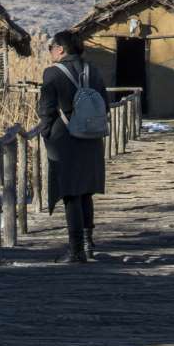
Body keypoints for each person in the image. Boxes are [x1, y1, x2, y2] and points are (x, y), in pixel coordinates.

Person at [38, 28, 106, 263]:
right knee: (85, 191)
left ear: (60, 49)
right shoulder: (93, 71)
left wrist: (46, 133)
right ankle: (88, 246)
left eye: (50, 48)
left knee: (70, 193)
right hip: (91, 138)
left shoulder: (52, 74)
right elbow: (104, 104)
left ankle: (75, 250)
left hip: (64, 139)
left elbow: (46, 111)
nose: (50, 52)